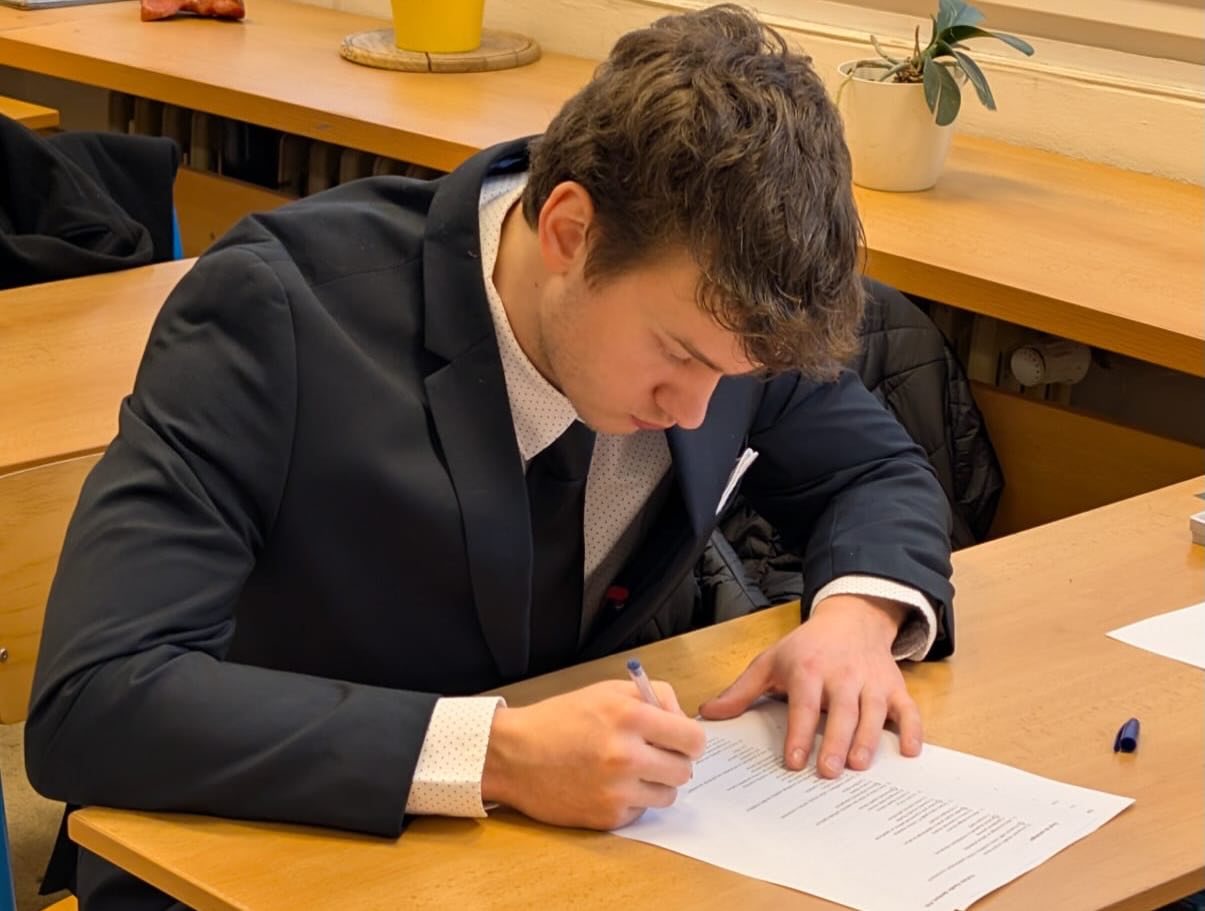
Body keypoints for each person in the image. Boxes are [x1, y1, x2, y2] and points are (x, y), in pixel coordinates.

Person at [25, 5, 954, 908]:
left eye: (732, 375)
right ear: (568, 233)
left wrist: (858, 615)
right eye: (676, 355)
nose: (697, 408)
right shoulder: (275, 311)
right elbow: (94, 700)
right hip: (258, 853)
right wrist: (493, 753)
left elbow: (873, 470)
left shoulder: (717, 320)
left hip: (566, 859)